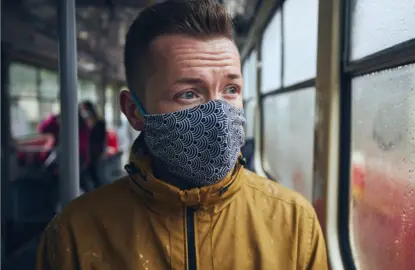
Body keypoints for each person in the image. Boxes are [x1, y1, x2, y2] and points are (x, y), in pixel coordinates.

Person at [36, 1, 328, 269]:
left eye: (231, 90)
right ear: (134, 111)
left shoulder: (293, 223)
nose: (219, 114)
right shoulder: (74, 236)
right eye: (188, 93)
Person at [79, 100, 107, 189]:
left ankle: (99, 196)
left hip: (95, 154)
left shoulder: (100, 123)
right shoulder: (83, 123)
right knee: (86, 176)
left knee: (96, 176)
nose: (83, 112)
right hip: (86, 154)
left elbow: (101, 139)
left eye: (84, 109)